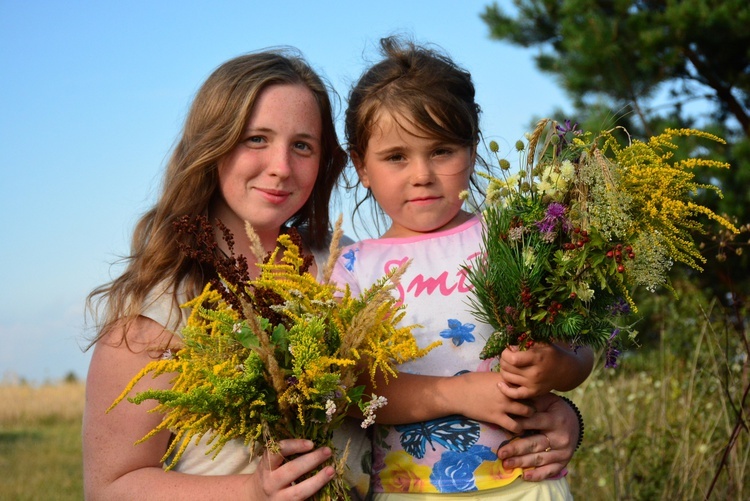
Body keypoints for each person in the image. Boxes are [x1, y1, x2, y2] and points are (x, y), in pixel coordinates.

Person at [83, 49, 362, 500]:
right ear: (212, 144)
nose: (281, 167)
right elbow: (110, 487)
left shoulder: (350, 265)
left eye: (302, 145)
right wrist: (252, 491)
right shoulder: (159, 309)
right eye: (256, 139)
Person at [331, 37, 592, 498]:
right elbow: (347, 390)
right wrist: (462, 393)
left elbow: (580, 349)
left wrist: (557, 369)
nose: (421, 175)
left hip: (526, 483)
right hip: (407, 489)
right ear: (361, 165)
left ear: (471, 149)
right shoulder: (353, 266)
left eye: (441, 151)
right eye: (396, 157)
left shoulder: (510, 235)